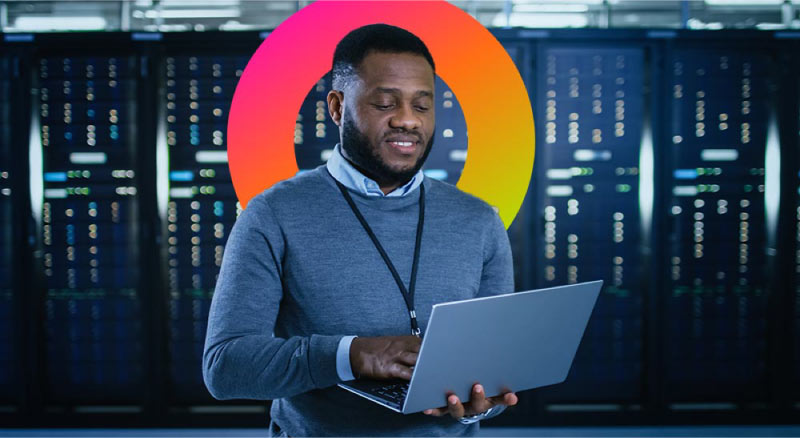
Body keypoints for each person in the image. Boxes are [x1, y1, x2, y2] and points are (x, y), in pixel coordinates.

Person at [203, 23, 517, 437]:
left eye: (422, 106)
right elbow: (226, 367)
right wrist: (353, 355)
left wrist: (480, 405)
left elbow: (495, 369)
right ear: (336, 107)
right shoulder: (272, 214)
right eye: (386, 103)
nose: (407, 120)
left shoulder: (479, 220)